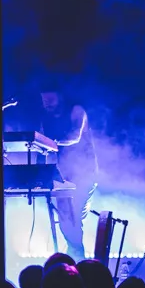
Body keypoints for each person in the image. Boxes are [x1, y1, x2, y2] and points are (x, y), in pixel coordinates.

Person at [39, 90, 98, 259]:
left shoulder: (76, 111)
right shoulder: (46, 118)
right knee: (65, 220)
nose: (47, 103)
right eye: (44, 100)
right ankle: (74, 257)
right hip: (64, 176)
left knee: (74, 217)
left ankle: (77, 259)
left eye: (50, 98)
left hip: (84, 173)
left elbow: (75, 136)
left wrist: (51, 143)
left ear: (60, 97)